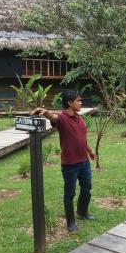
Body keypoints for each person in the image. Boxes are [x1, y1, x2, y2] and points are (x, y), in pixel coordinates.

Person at [32, 90, 97, 232]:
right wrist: (45, 111)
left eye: (80, 100)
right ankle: (70, 223)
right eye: (78, 101)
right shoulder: (62, 118)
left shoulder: (79, 118)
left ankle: (82, 212)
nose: (81, 103)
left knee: (87, 188)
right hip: (70, 165)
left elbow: (82, 138)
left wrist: (90, 151)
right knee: (70, 193)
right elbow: (53, 117)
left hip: (84, 162)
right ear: (69, 102)